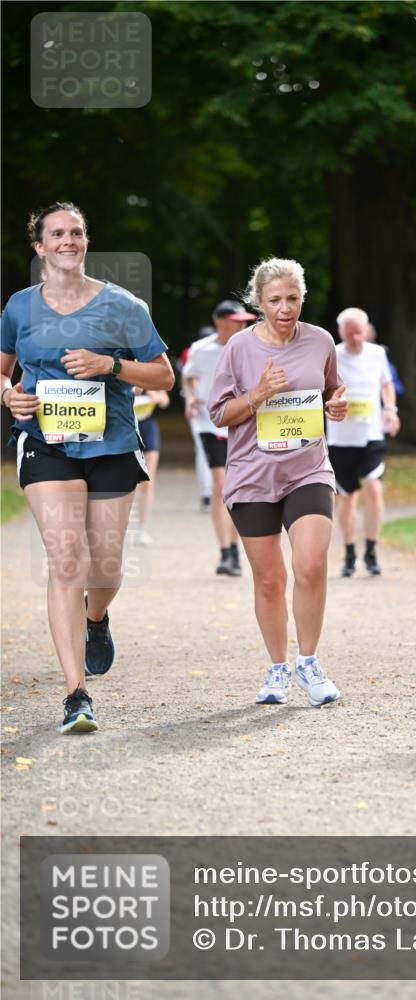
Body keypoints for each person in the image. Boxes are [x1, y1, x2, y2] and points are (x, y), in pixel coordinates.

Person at [0, 202, 174, 734]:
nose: (68, 240)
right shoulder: (20, 308)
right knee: (65, 560)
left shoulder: (123, 305)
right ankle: (76, 694)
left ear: (85, 241)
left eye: (76, 231)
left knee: (106, 567)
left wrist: (111, 366)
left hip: (112, 443)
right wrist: (10, 397)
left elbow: (164, 376)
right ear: (40, 246)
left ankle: (95, 618)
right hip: (46, 444)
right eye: (57, 233)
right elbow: (3, 372)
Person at [208, 257, 347, 707]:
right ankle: (277, 670)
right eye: (275, 300)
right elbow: (218, 414)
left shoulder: (321, 341)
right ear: (259, 302)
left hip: (308, 469)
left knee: (311, 564)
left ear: (302, 297)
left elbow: (331, 392)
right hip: (252, 474)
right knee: (269, 579)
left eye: (292, 298)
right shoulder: (239, 349)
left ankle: (308, 663)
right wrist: (258, 393)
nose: (285, 308)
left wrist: (336, 407)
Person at [182, 301, 255, 575]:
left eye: (244, 321)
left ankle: (234, 549)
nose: (242, 326)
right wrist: (190, 399)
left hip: (241, 424)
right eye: (237, 321)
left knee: (237, 488)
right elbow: (188, 378)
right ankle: (225, 551)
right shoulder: (201, 349)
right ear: (220, 322)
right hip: (209, 424)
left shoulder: (250, 345)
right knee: (221, 485)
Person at [326, 307, 400, 576]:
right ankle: (348, 554)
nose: (355, 338)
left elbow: (387, 384)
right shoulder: (332, 354)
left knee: (373, 487)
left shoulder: (377, 353)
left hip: (371, 434)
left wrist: (391, 410)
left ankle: (370, 550)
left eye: (358, 332)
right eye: (349, 333)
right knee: (346, 498)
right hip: (341, 438)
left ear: (366, 330)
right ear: (340, 333)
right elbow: (321, 388)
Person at [178, 326, 214, 512]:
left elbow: (188, 379)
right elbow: (191, 379)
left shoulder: (190, 351)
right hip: (202, 404)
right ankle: (210, 493)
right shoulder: (197, 351)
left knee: (203, 450)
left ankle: (209, 494)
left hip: (200, 403)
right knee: (206, 449)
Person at [133, 387, 171, 544]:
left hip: (147, 425)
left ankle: (142, 529)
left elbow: (165, 401)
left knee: (147, 481)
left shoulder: (148, 367)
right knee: (124, 482)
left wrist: (157, 396)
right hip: (125, 425)